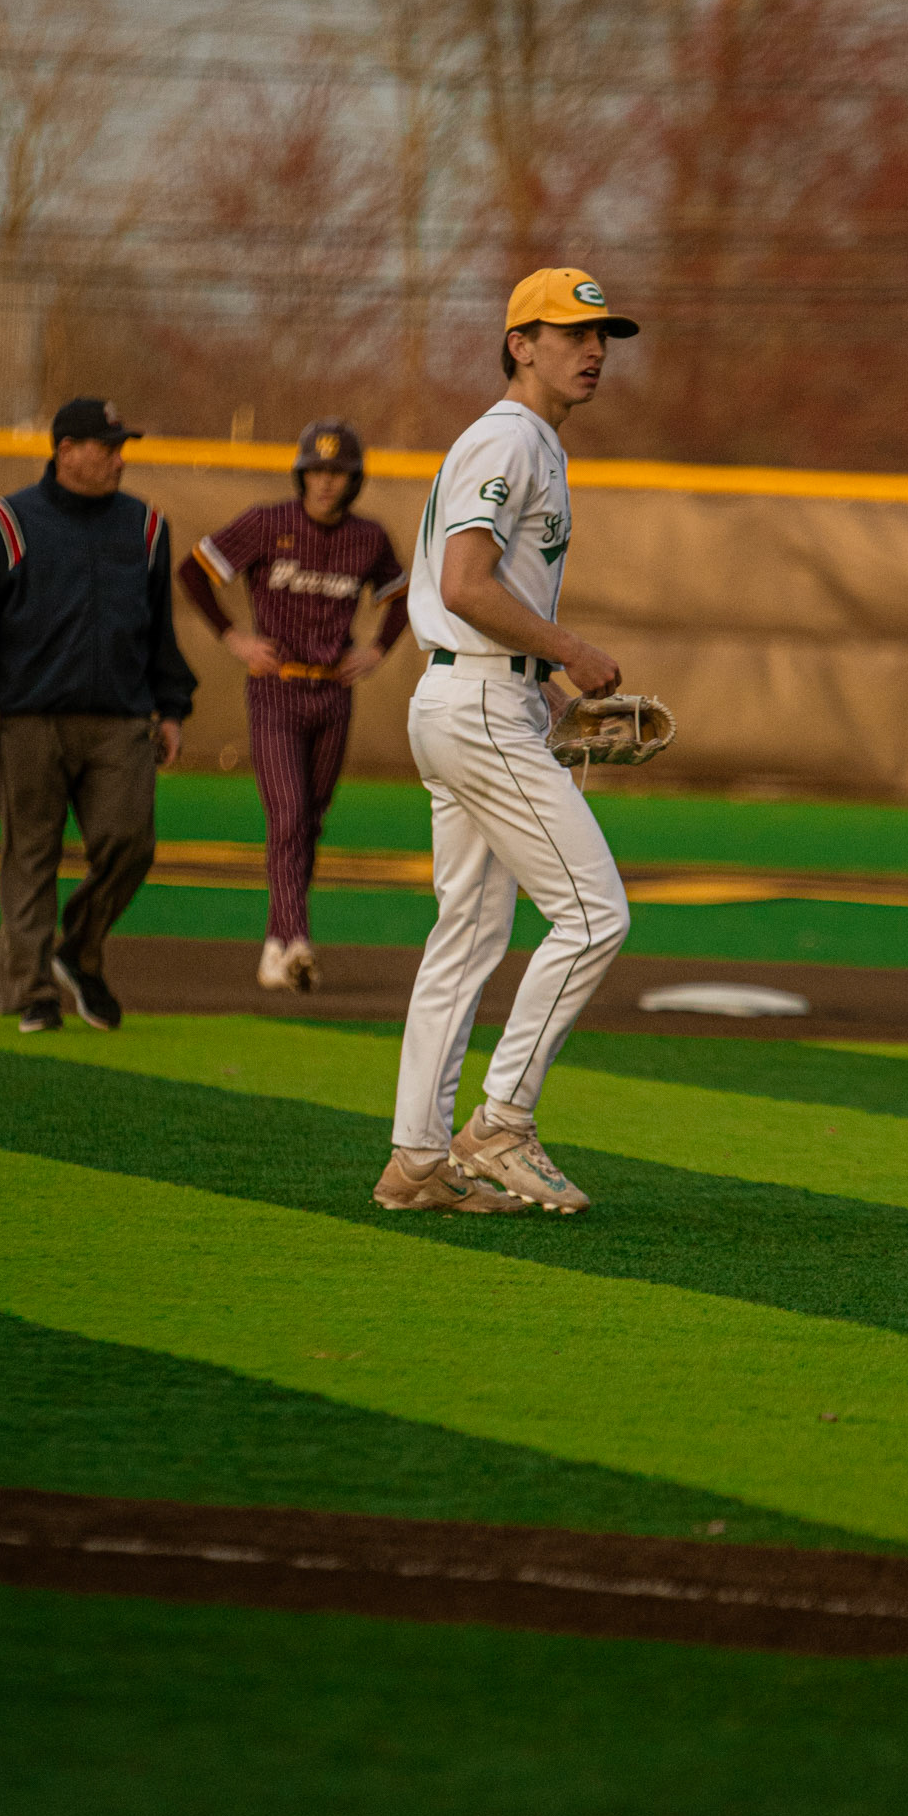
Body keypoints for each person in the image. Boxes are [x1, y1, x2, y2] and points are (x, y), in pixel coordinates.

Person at [376, 268, 639, 1218]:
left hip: (478, 697)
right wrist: (569, 654)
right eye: (571, 333)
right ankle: (501, 1124)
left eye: (601, 335)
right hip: (479, 703)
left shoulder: (532, 443)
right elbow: (464, 583)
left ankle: (416, 1160)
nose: (593, 350)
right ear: (519, 344)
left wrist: (549, 697)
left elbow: (475, 601)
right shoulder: (507, 437)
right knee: (594, 916)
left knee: (468, 936)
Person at [0, 397, 197, 1033]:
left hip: (120, 721)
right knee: (30, 858)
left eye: (121, 447)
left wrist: (171, 707)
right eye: (106, 447)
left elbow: (158, 629)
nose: (118, 459)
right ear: (65, 451)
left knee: (130, 843)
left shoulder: (145, 525)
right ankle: (32, 993)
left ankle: (78, 950)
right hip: (31, 719)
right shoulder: (6, 523)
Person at [177, 420, 409, 992]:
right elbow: (194, 571)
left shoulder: (368, 538)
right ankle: (299, 940)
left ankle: (276, 946)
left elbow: (403, 596)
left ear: (354, 480)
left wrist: (377, 650)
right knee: (287, 816)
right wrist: (235, 637)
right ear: (301, 474)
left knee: (309, 822)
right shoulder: (268, 523)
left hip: (332, 693)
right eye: (316, 470)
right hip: (277, 689)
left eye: (338, 472)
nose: (326, 482)